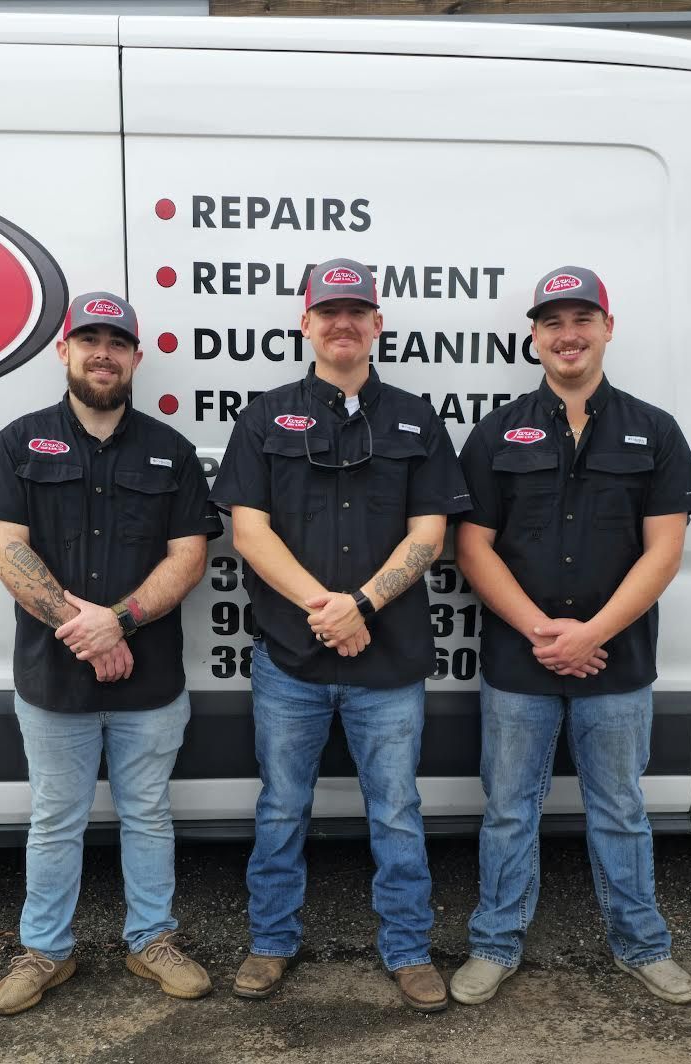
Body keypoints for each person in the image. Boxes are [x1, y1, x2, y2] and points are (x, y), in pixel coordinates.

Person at [210, 258, 471, 1012]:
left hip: (386, 666)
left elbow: (430, 533)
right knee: (280, 807)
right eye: (328, 311)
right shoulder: (263, 418)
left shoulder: (417, 419)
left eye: (357, 311)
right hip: (289, 661)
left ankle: (407, 950)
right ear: (305, 324)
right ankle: (270, 942)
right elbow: (249, 533)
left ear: (377, 325)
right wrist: (327, 608)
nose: (342, 323)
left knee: (395, 809)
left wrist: (362, 604)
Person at [450, 266, 691, 1007]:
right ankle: (494, 945)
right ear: (533, 336)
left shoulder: (652, 430)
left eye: (581, 319)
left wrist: (589, 632)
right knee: (507, 810)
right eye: (552, 322)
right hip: (519, 662)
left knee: (620, 808)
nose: (567, 335)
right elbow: (472, 548)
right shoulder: (498, 431)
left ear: (606, 328)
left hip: (615, 661)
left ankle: (641, 946)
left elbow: (664, 549)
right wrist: (543, 631)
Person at [0, 291, 222, 1015]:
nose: (102, 353)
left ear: (137, 357)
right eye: (89, 340)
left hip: (150, 681)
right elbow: (5, 547)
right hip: (53, 680)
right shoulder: (20, 443)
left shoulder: (169, 450)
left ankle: (151, 941)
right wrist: (83, 630)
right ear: (64, 351)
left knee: (148, 814)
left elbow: (187, 556)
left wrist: (117, 620)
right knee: (55, 818)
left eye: (117, 341)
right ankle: (46, 950)